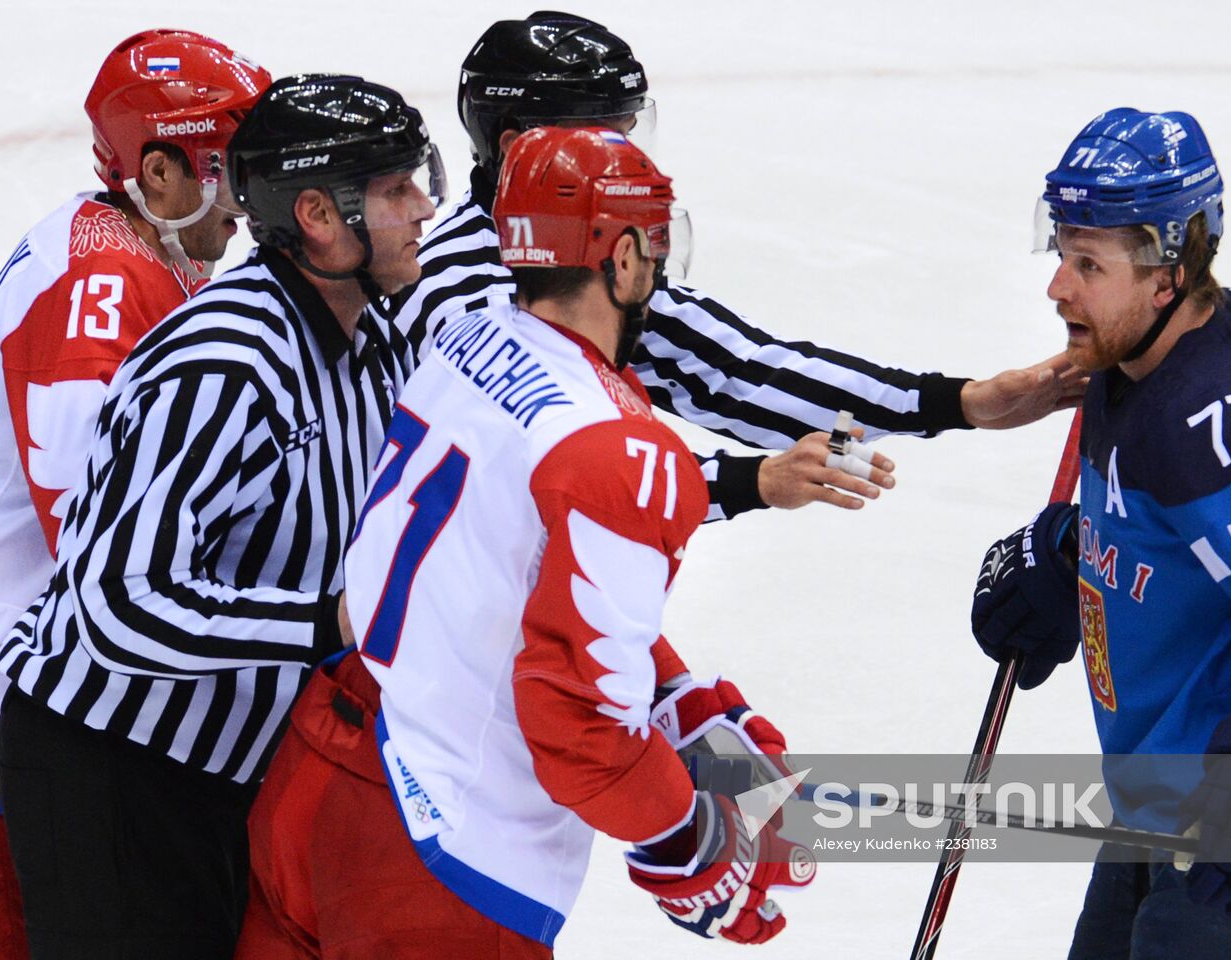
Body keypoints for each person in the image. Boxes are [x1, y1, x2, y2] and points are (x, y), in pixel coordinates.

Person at [236, 125, 817, 959]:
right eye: (651, 245)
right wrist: (684, 841)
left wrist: (671, 690)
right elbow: (581, 728)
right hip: (445, 852)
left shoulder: (465, 342)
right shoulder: (618, 447)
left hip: (317, 774)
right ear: (619, 260)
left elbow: (507, 570)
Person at [0, 74, 441, 960]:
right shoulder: (226, 363)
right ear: (317, 212)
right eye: (396, 189)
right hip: (117, 773)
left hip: (231, 770)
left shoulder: (369, 335)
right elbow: (117, 601)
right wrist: (328, 621)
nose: (423, 206)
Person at [395, 10, 1084, 522]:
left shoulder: (579, 247)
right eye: (605, 137)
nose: (636, 165)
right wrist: (750, 482)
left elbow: (734, 370)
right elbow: (561, 478)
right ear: (517, 146)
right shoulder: (463, 298)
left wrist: (956, 402)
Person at [968, 107, 1231, 959]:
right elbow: (1184, 531)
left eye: (1088, 263)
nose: (1057, 287)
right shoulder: (1132, 356)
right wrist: (1070, 552)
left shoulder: (1230, 423)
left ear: (1169, 270)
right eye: (1061, 251)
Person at [0, 29, 269, 960]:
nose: (245, 196)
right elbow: (94, 536)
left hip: (13, 689)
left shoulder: (133, 249)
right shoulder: (101, 286)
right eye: (225, 164)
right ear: (159, 172)